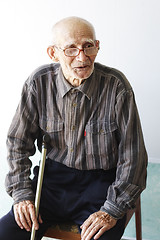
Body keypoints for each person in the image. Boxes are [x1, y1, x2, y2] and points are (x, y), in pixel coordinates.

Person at [0, 16, 147, 240]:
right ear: (53, 53)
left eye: (88, 46)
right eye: (71, 49)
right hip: (52, 183)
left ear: (97, 47)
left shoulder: (117, 86)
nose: (82, 56)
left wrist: (112, 210)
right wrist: (21, 193)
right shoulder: (38, 83)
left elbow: (133, 155)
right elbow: (18, 142)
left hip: (102, 184)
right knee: (6, 233)